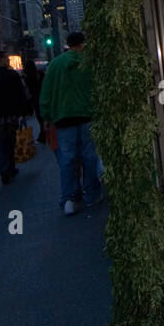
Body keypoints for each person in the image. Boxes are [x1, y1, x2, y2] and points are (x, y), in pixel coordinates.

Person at [39, 31, 103, 216]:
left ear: (67, 44)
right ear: (82, 44)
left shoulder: (55, 65)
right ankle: (92, 194)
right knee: (89, 157)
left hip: (63, 119)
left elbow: (46, 94)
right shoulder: (88, 63)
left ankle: (69, 199)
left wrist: (47, 116)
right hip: (86, 116)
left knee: (67, 160)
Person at [0, 51, 33, 184]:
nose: (8, 60)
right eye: (6, 58)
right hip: (11, 115)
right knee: (10, 142)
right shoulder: (12, 75)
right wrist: (24, 111)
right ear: (1, 59)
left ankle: (3, 169)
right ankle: (11, 167)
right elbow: (21, 93)